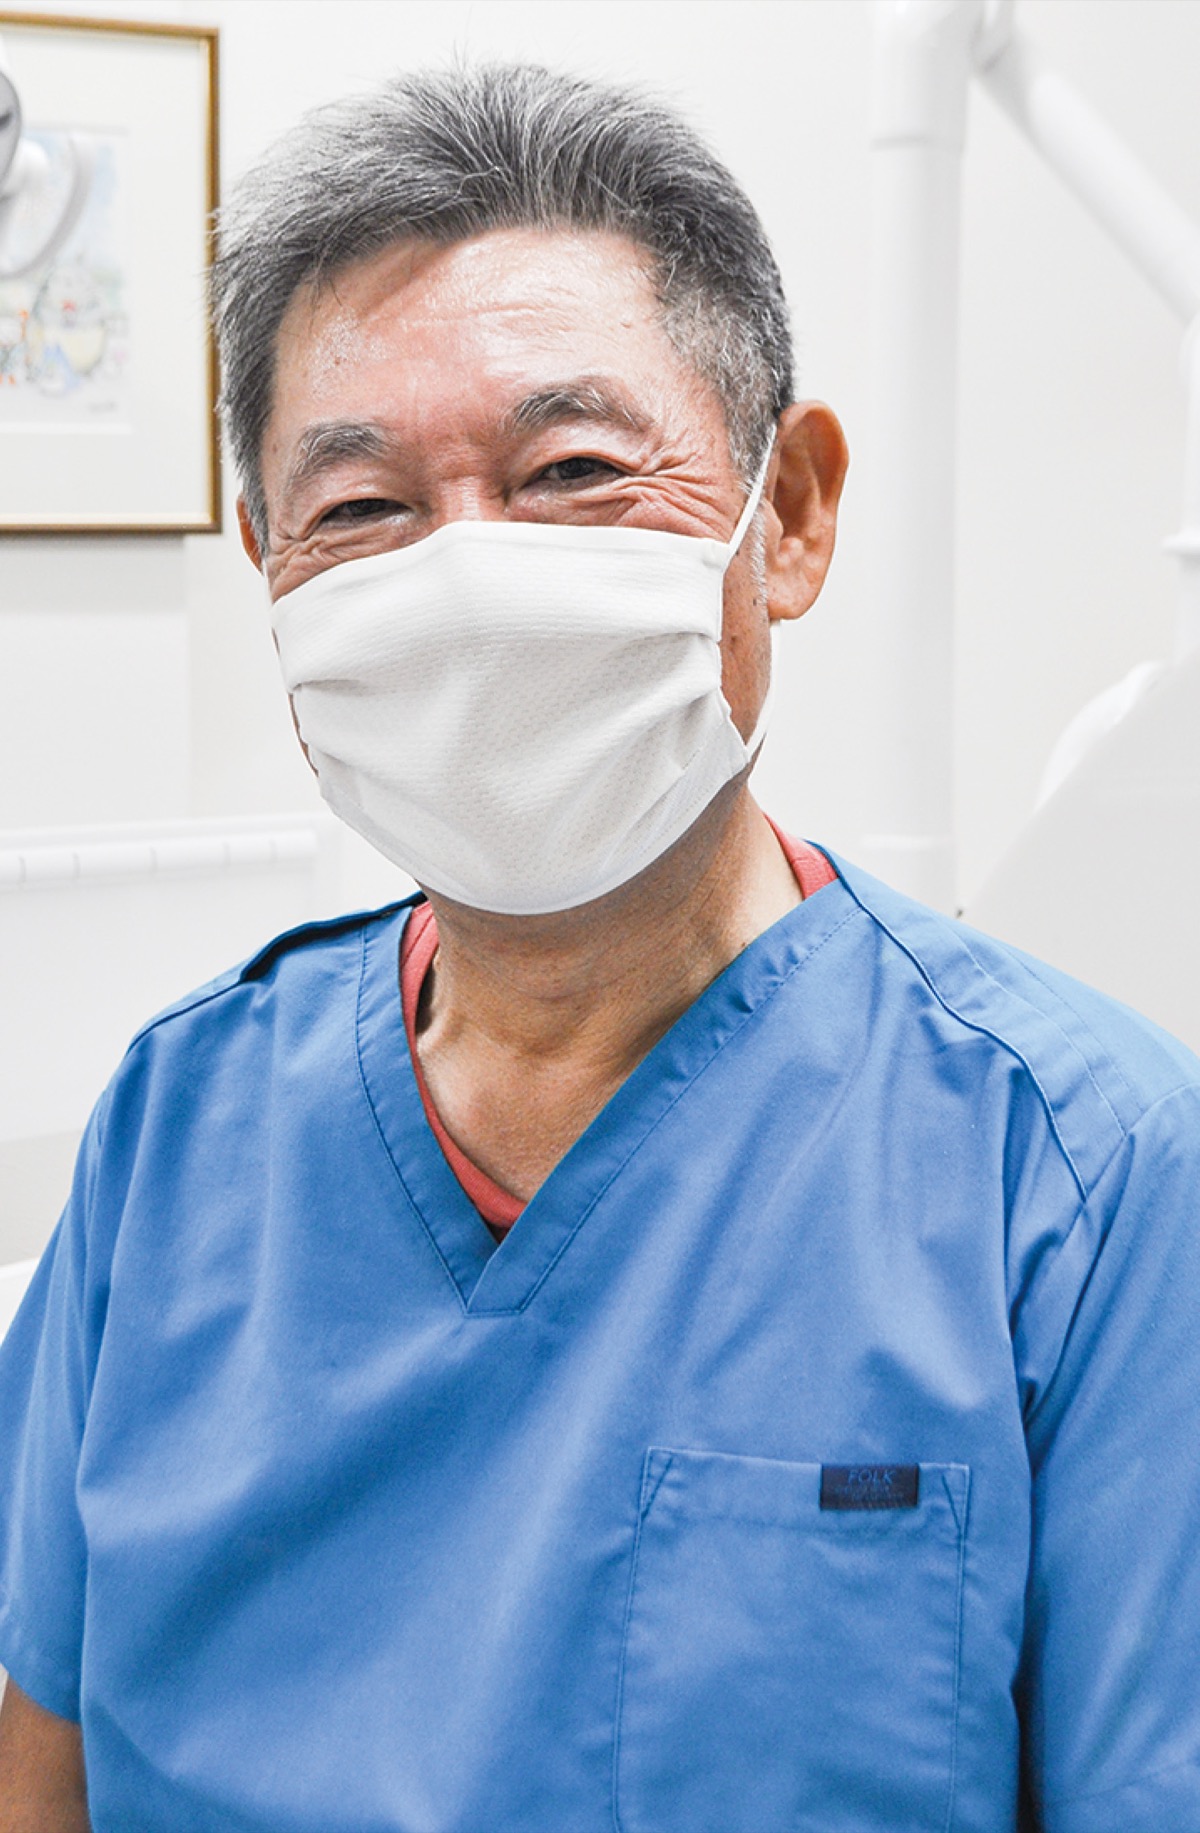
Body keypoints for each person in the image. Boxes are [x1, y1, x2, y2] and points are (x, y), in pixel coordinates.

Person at [1, 61, 1199, 1833]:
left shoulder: (1079, 1174)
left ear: (788, 514)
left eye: (571, 470)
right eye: (360, 507)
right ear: (268, 565)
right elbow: (41, 1766)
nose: (470, 585)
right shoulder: (179, 1127)